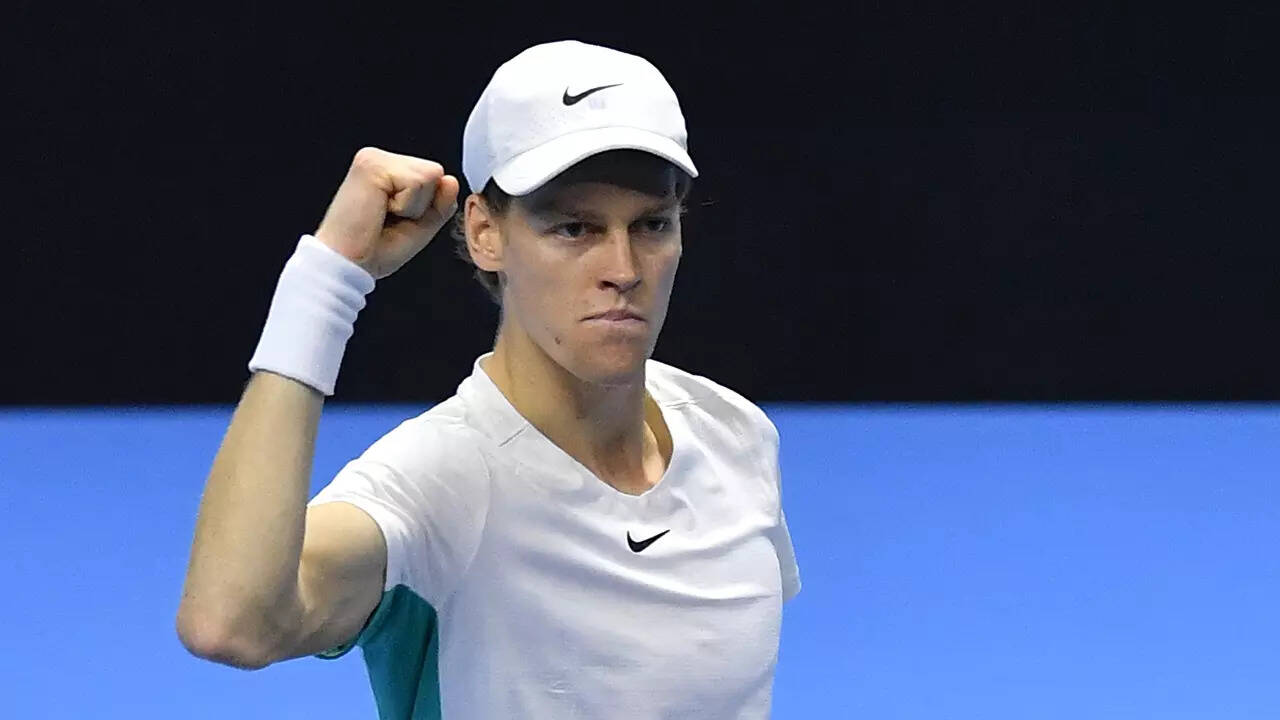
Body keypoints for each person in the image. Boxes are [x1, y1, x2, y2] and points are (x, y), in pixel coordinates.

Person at [177, 39, 801, 719]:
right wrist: (325, 282)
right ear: (484, 233)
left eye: (652, 224)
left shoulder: (735, 434)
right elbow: (231, 623)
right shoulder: (439, 483)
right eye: (574, 228)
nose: (623, 269)